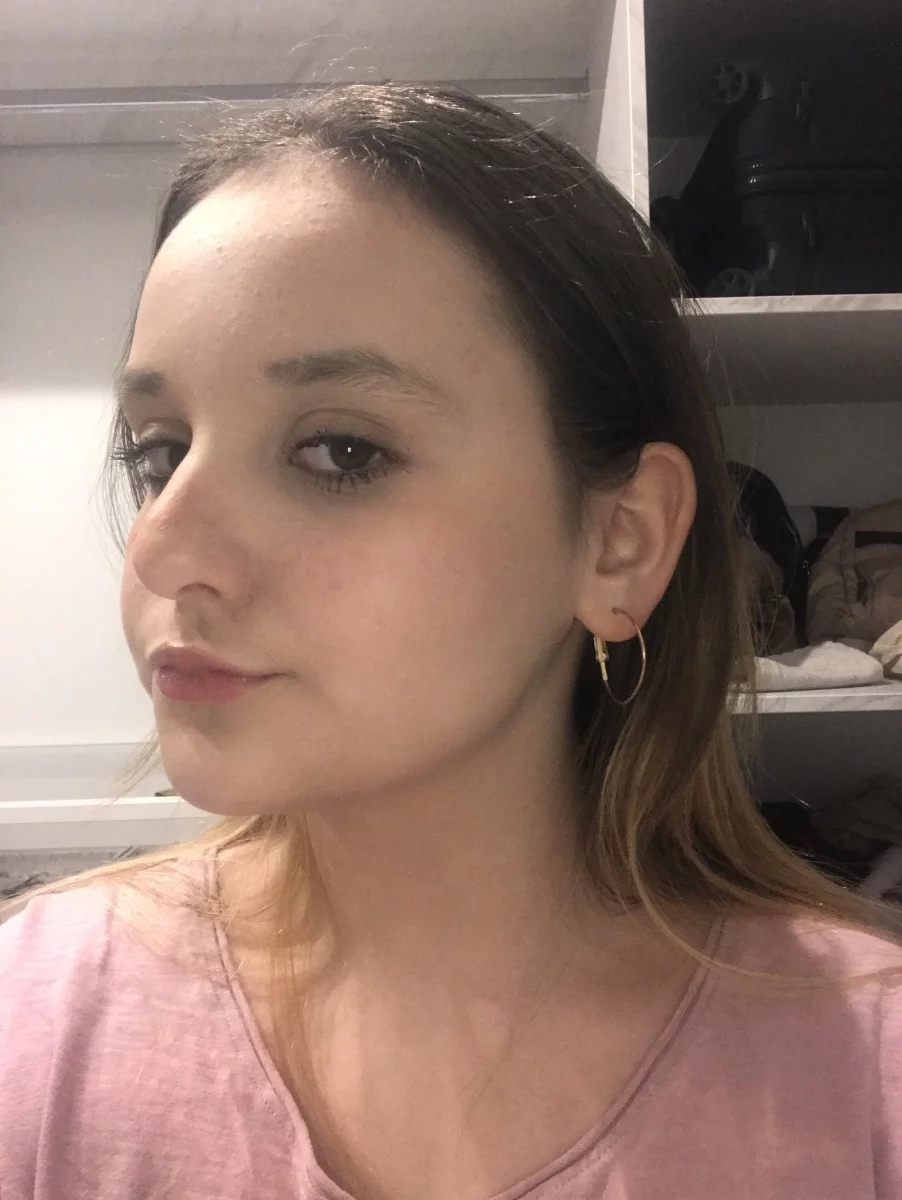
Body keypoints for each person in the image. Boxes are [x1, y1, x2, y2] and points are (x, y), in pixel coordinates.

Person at [1, 83, 900, 1200]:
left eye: (340, 452)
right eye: (158, 453)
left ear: (618, 542)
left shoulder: (861, 1075)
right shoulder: (38, 1029)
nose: (162, 546)